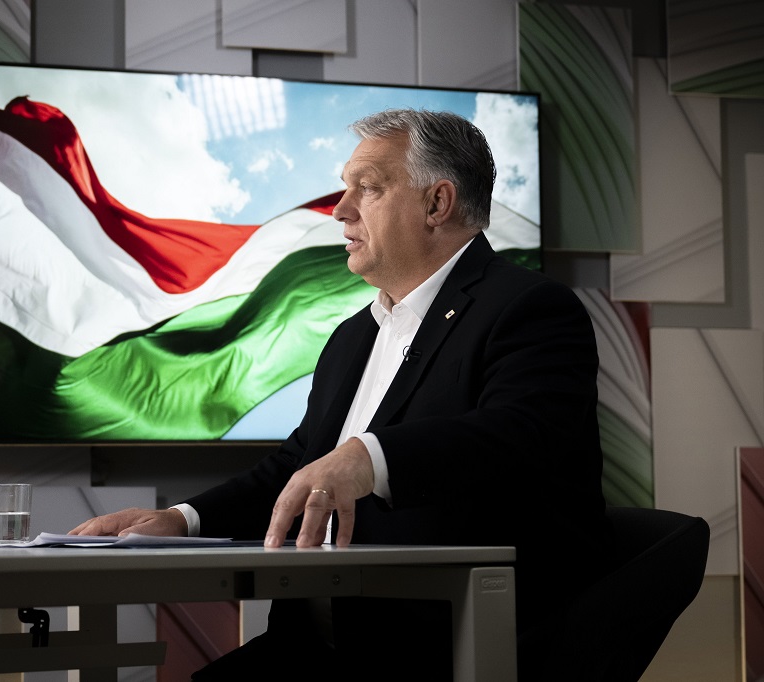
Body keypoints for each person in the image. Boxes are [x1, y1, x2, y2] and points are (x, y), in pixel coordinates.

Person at [69, 108, 609, 680]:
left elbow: (519, 434)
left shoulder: (530, 307)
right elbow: (297, 467)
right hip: (310, 648)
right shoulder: (353, 336)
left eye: (367, 188)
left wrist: (369, 457)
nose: (340, 209)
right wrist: (184, 520)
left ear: (437, 203)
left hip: (446, 650)